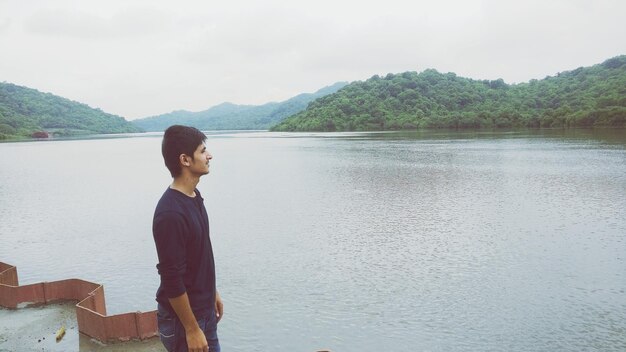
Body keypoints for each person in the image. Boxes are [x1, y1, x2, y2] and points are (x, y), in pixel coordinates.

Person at [153, 125, 223, 352]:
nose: (209, 156)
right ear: (185, 159)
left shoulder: (194, 196)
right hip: (184, 321)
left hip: (203, 311)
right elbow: (172, 278)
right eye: (203, 151)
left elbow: (199, 255)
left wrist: (212, 292)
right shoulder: (170, 214)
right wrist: (192, 329)